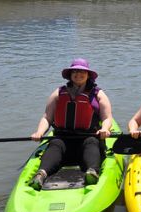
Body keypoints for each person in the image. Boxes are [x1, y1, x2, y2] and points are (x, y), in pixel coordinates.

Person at [29, 58, 114, 190]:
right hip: (63, 138)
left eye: (82, 72)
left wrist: (104, 129)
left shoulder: (98, 94)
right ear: (70, 74)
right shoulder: (58, 92)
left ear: (88, 75)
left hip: (87, 138)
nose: (78, 74)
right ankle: (41, 174)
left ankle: (92, 172)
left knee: (92, 142)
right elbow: (47, 117)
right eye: (75, 71)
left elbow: (107, 118)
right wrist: (39, 132)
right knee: (55, 143)